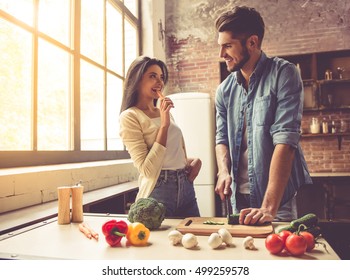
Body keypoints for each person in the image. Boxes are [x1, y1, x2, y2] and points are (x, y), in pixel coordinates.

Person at [214, 6, 312, 225]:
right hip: (238, 199)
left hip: (278, 200)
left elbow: (285, 140)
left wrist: (268, 207)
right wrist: (222, 171)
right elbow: (221, 139)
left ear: (252, 42)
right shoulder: (224, 91)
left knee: (279, 256)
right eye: (220, 46)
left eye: (228, 46)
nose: (221, 55)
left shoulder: (284, 74)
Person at [119, 56, 201, 218]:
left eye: (161, 77)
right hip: (159, 190)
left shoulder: (162, 111)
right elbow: (147, 170)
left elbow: (169, 154)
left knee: (195, 237)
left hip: (185, 186)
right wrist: (164, 125)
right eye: (152, 76)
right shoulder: (130, 116)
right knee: (162, 243)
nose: (159, 82)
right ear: (137, 80)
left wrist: (192, 162)